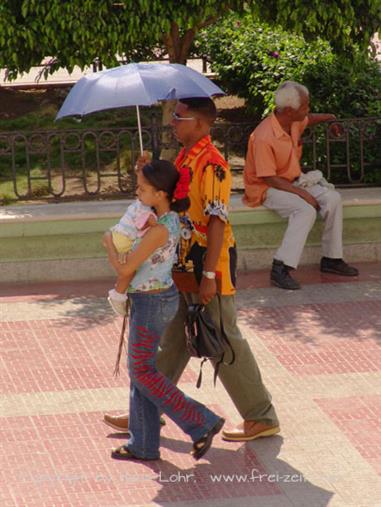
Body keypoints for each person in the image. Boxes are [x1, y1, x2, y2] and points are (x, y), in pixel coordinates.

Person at [104, 97, 280, 442]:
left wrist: (210, 275)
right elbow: (170, 198)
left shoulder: (213, 164)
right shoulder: (185, 158)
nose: (173, 122)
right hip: (181, 264)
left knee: (223, 338)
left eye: (179, 118)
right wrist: (147, 170)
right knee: (172, 340)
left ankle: (260, 415)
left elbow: (217, 221)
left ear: (200, 124)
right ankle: (146, 411)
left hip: (206, 265)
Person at [103, 159, 225, 461]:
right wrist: (142, 169)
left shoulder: (159, 230)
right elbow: (147, 196)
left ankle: (201, 421)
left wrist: (108, 244)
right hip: (154, 299)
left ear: (160, 194)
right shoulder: (163, 219)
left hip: (151, 304)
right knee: (141, 371)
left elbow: (126, 267)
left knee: (142, 371)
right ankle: (143, 443)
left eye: (142, 189)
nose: (137, 193)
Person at [243, 81, 359, 290]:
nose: (308, 109)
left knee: (333, 199)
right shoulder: (263, 136)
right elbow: (269, 178)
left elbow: (309, 119)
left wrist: (330, 118)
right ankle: (280, 267)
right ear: (289, 110)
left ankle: (331, 259)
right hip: (266, 188)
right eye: (305, 106)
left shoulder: (292, 121)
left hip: (292, 181)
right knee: (305, 210)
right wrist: (303, 195)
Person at [106, 199, 157, 315]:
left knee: (130, 268)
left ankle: (119, 293)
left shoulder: (138, 203)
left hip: (118, 235)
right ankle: (118, 294)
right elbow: (153, 225)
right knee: (131, 269)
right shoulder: (147, 209)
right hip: (125, 239)